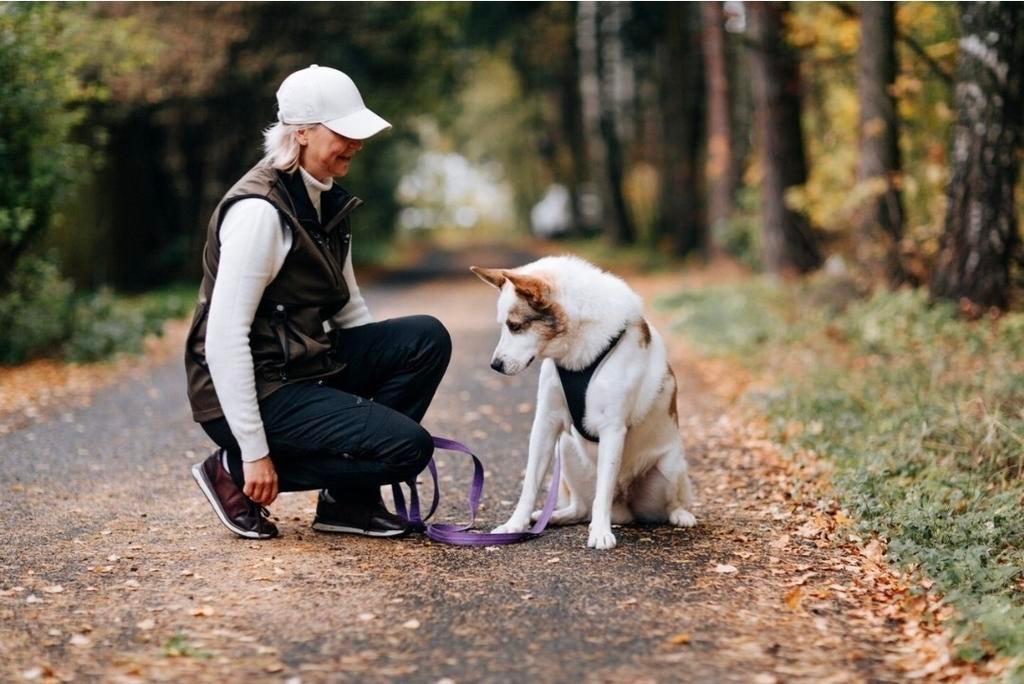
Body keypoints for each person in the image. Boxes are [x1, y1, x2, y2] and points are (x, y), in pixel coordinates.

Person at [185, 65, 451, 540]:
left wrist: (368, 400)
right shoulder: (259, 214)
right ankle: (228, 471)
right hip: (256, 389)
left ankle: (348, 501)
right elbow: (223, 340)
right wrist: (252, 451)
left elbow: (350, 312)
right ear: (302, 133)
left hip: (304, 368)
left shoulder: (326, 202)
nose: (357, 143)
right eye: (344, 132)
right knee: (408, 449)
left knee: (425, 338)